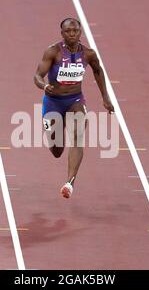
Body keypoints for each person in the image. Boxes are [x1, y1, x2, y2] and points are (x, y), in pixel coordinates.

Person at [34, 18, 114, 199]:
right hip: (53, 102)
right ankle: (55, 134)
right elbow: (38, 75)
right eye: (68, 31)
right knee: (57, 150)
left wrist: (106, 98)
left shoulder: (88, 54)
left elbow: (98, 71)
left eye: (75, 31)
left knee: (77, 136)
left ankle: (69, 183)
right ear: (62, 33)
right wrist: (44, 86)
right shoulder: (53, 52)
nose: (72, 34)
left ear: (80, 33)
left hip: (75, 100)